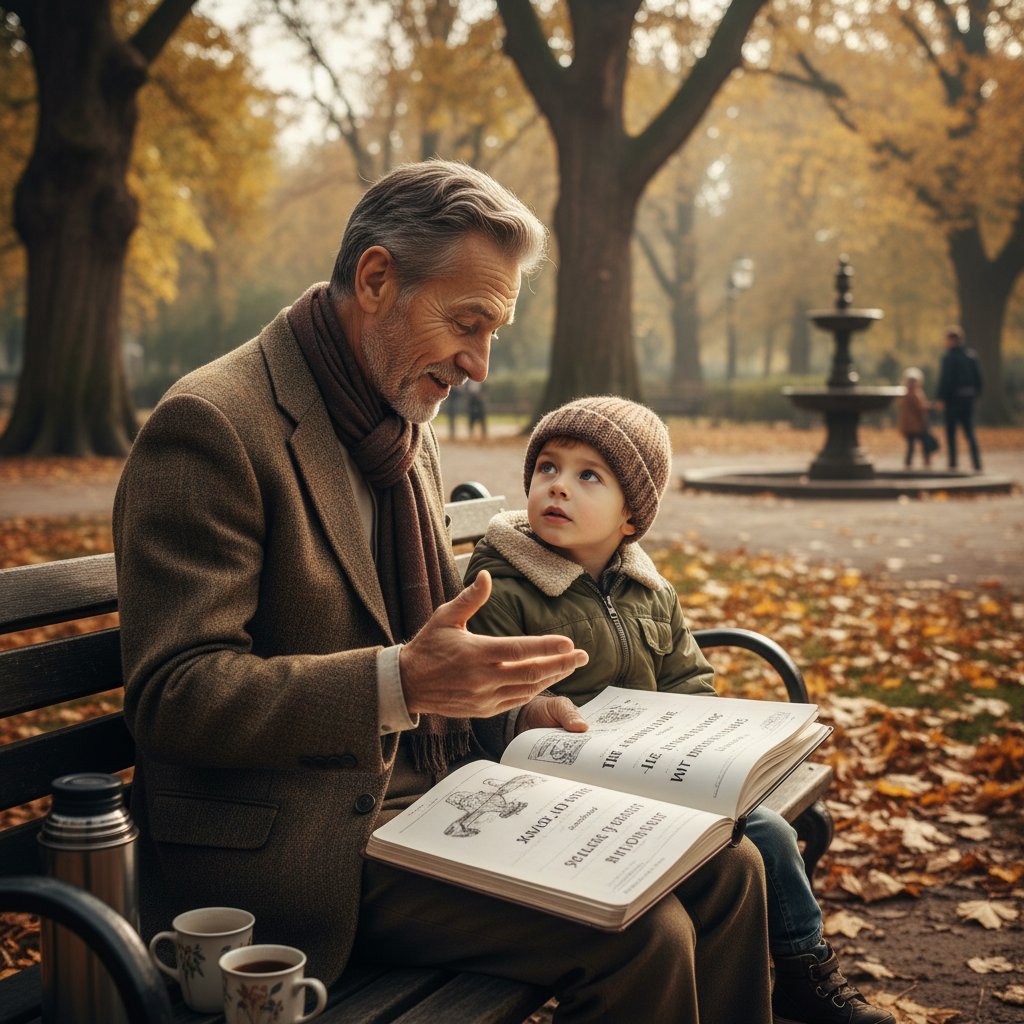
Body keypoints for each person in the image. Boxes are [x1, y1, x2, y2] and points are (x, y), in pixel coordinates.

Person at [113, 160, 773, 1024]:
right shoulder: (213, 424)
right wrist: (400, 685)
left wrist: (503, 712)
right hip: (307, 851)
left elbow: (428, 653)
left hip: (443, 793)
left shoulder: (398, 424)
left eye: (493, 329)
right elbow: (174, 695)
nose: (480, 363)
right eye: (467, 323)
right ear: (377, 279)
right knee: (643, 938)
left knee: (731, 872)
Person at [464, 396, 894, 1024]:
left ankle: (797, 968)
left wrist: (709, 739)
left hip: (653, 773)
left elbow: (689, 679)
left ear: (631, 517)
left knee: (746, 825)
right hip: (559, 788)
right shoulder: (502, 588)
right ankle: (803, 966)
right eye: (547, 468)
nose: (558, 486)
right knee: (767, 832)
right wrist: (534, 712)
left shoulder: (648, 590)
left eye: (589, 476)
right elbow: (487, 711)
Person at [936, 325, 983, 471]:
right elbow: (978, 380)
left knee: (951, 433)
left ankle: (953, 463)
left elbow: (946, 380)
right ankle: (977, 463)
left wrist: (941, 398)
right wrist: (975, 395)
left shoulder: (949, 357)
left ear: (952, 340)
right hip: (968, 399)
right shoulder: (971, 356)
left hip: (953, 400)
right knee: (969, 431)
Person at [896, 367, 937, 469]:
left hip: (908, 426)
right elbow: (921, 408)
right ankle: (926, 462)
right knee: (924, 443)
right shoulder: (915, 393)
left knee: (911, 446)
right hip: (917, 425)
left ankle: (908, 464)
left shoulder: (904, 393)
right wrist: (932, 406)